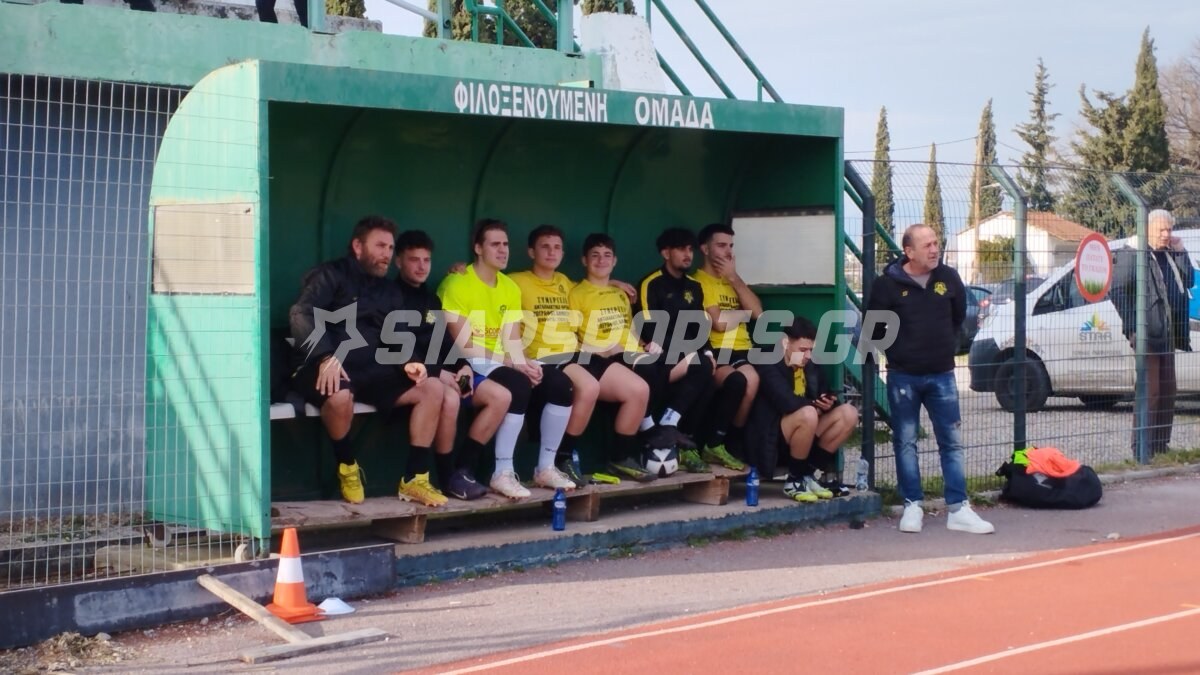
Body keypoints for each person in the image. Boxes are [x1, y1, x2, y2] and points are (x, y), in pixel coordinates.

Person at [289, 215, 449, 507]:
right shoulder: (330, 275)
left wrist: (408, 361)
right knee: (339, 396)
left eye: (390, 247)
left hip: (373, 370)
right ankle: (347, 466)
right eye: (380, 246)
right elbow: (301, 313)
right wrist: (325, 356)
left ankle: (414, 479)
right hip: (327, 364)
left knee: (432, 388)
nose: (386, 253)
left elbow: (396, 334)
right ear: (357, 246)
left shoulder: (388, 290)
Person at [867, 224, 994, 534]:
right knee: (905, 441)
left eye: (936, 243)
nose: (935, 249)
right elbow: (875, 331)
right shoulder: (886, 286)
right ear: (909, 252)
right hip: (902, 377)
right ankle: (912, 506)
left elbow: (957, 317)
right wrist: (899, 353)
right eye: (927, 245)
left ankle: (958, 508)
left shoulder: (949, 278)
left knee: (951, 442)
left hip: (943, 375)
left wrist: (942, 348)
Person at [437, 218, 576, 498]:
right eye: (495, 244)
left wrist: (525, 363)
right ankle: (502, 472)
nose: (503, 250)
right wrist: (513, 363)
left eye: (506, 244)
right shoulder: (457, 283)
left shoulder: (509, 287)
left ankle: (545, 467)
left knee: (560, 384)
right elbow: (463, 345)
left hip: (499, 359)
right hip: (466, 364)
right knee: (517, 384)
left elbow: (512, 339)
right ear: (478, 248)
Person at [509, 225, 653, 486]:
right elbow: (489, 282)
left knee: (639, 390)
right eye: (544, 247)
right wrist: (459, 268)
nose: (551, 252)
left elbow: (593, 285)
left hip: (577, 353)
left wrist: (614, 283)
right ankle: (562, 458)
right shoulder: (516, 281)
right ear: (531, 252)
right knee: (589, 387)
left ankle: (621, 457)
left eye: (557, 247)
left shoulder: (566, 283)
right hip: (545, 356)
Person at [570, 233, 713, 480]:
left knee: (701, 363)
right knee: (648, 369)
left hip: (636, 353)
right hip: (607, 358)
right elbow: (573, 336)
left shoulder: (620, 293)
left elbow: (630, 328)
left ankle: (668, 423)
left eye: (607, 256)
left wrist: (645, 343)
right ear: (584, 260)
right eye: (595, 255)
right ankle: (649, 429)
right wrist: (603, 349)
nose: (601, 260)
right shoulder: (576, 293)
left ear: (615, 261)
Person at [393, 230, 511, 501]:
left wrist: (462, 366)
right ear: (398, 262)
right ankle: (446, 477)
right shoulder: (391, 297)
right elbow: (399, 349)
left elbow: (445, 341)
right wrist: (439, 373)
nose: (421, 266)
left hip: (443, 373)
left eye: (426, 260)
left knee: (501, 396)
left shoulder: (430, 299)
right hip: (408, 376)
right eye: (414, 260)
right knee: (449, 397)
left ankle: (462, 471)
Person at [746, 317, 859, 502]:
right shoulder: (767, 361)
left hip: (805, 432)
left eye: (811, 350)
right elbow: (787, 403)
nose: (808, 356)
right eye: (803, 350)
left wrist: (828, 404)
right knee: (808, 413)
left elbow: (825, 394)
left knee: (849, 413)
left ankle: (806, 475)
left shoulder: (810, 363)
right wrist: (816, 407)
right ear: (785, 343)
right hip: (771, 439)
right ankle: (794, 480)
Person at [1111, 208, 1193, 456]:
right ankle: (1142, 448)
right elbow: (1117, 291)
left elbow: (1188, 280)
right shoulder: (1132, 254)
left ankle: (1160, 446)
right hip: (1146, 334)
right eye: (1161, 230)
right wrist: (1133, 327)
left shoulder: (1168, 253)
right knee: (1150, 391)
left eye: (1169, 229)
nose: (1166, 234)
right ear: (1147, 230)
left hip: (1167, 333)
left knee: (1168, 391)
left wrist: (1180, 251)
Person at [636, 227, 716, 473]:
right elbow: (649, 329)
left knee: (708, 369)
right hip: (659, 353)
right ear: (665, 253)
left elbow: (699, 326)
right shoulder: (651, 283)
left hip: (685, 354)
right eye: (681, 249)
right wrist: (689, 351)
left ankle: (670, 425)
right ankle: (653, 431)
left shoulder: (695, 286)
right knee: (693, 365)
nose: (687, 254)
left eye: (690, 249)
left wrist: (708, 351)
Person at [692, 223, 760, 471]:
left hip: (744, 348)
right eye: (721, 245)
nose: (728, 252)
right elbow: (719, 323)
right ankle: (725, 443)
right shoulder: (699, 281)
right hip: (718, 350)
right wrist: (743, 314)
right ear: (705, 249)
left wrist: (734, 279)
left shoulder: (732, 279)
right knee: (747, 381)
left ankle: (730, 443)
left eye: (731, 246)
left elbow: (758, 312)